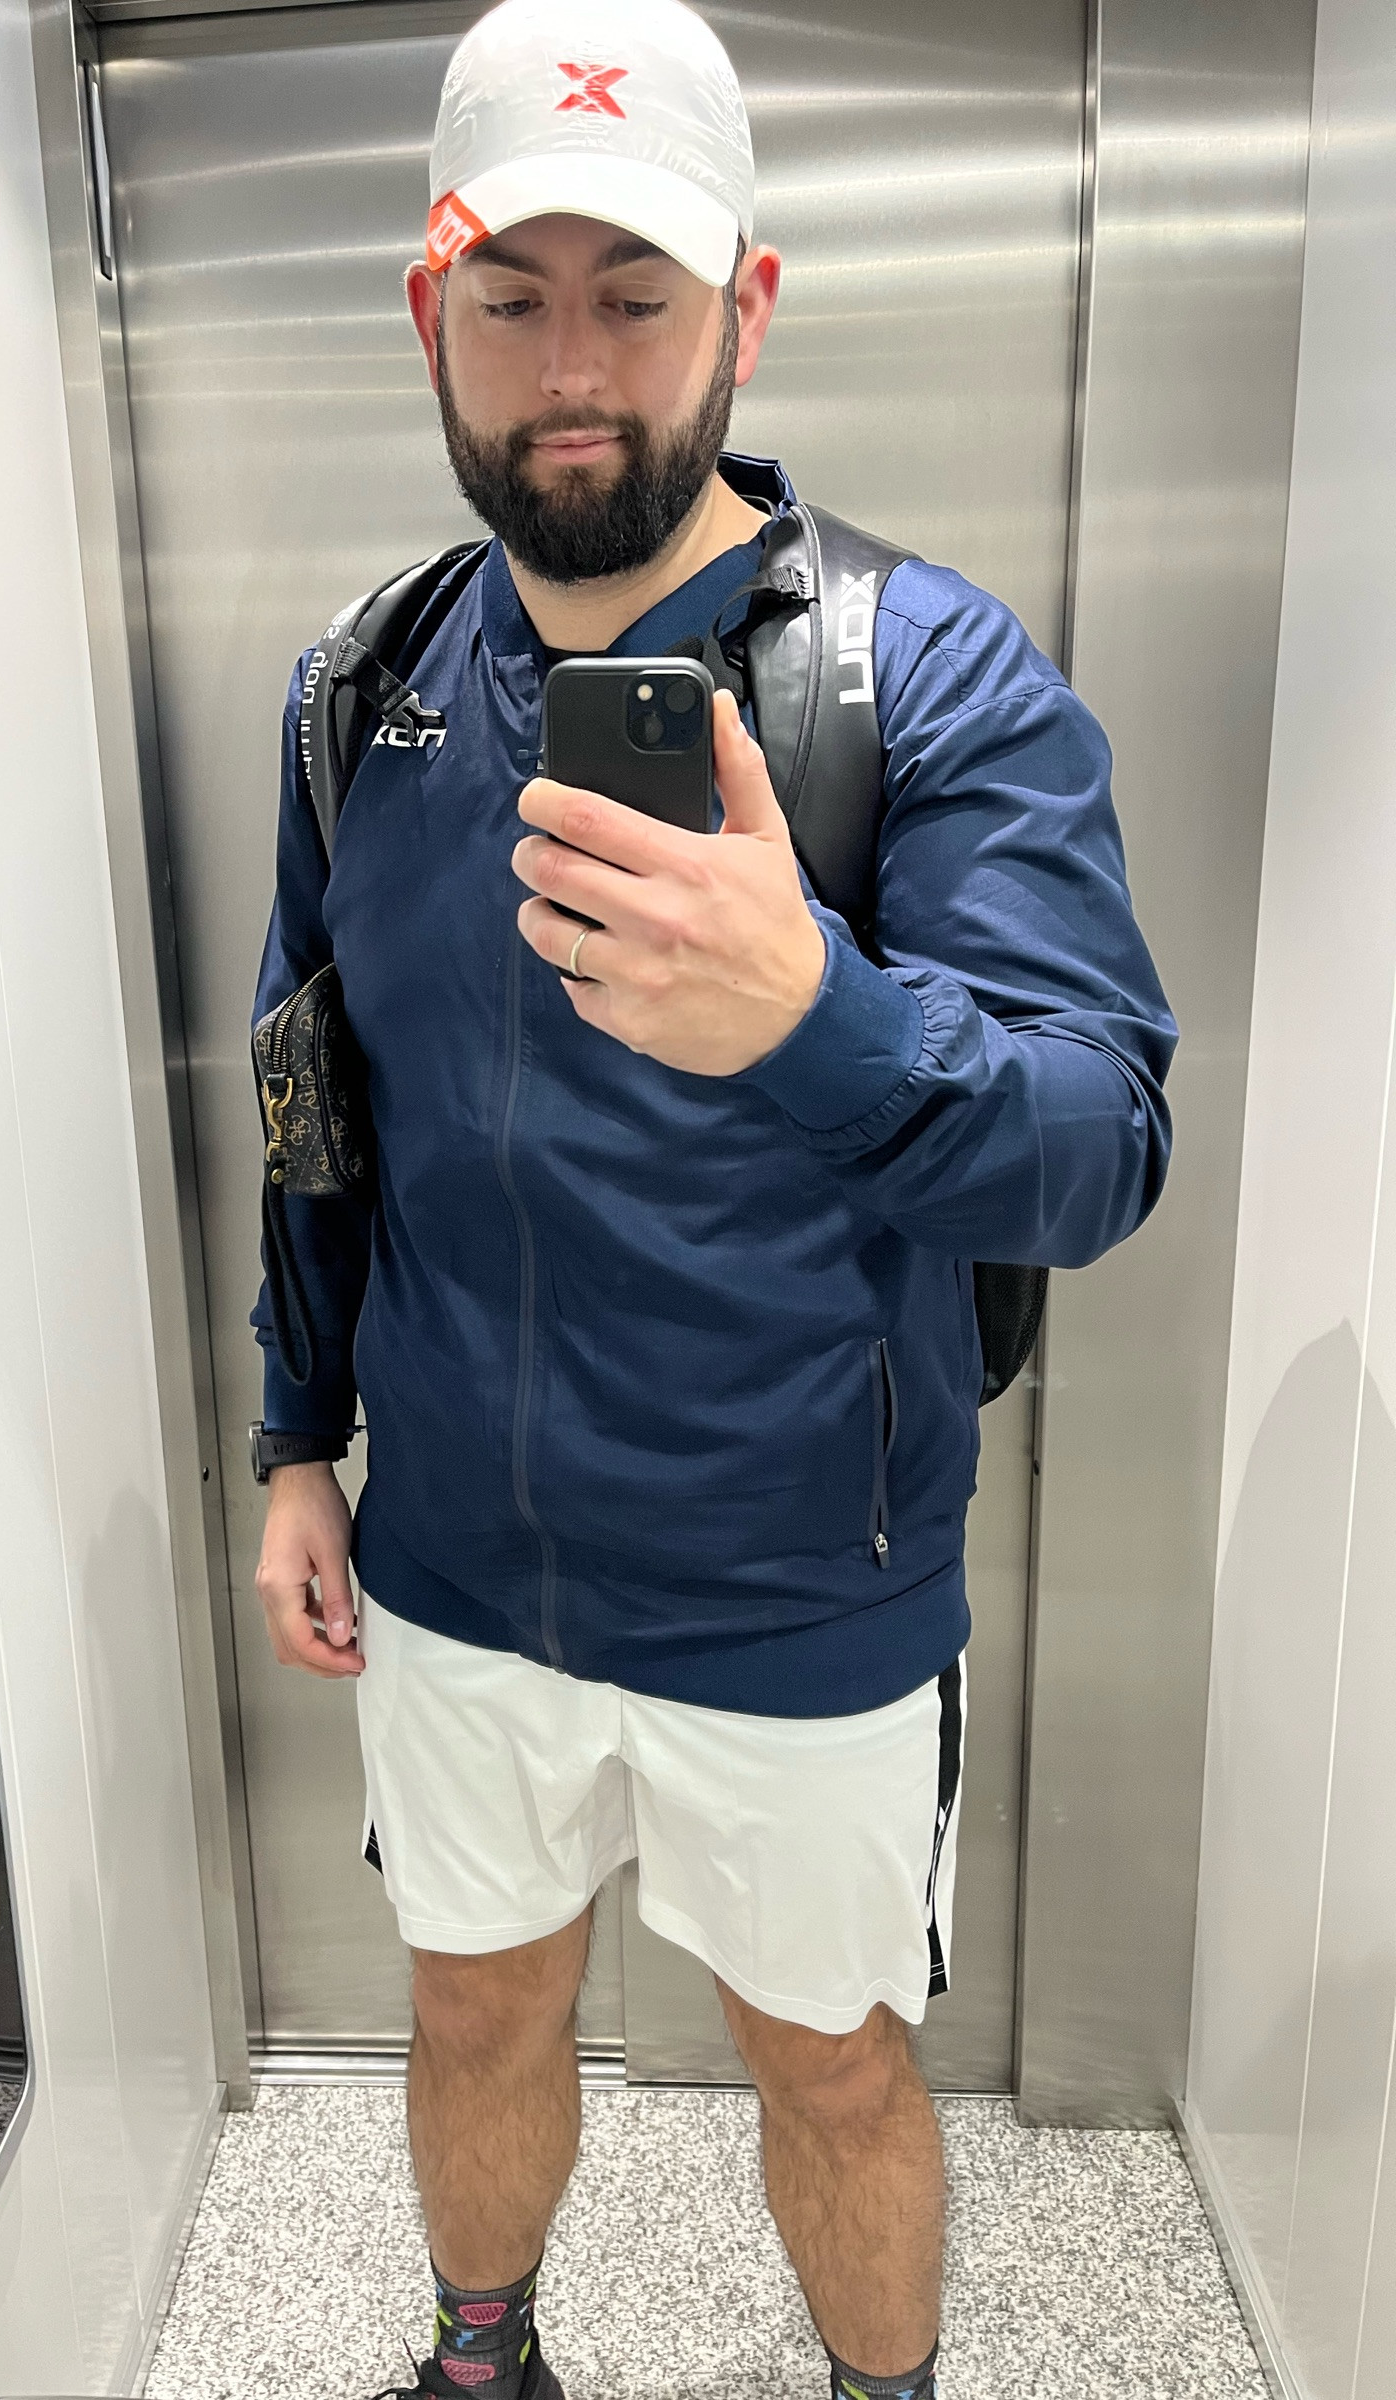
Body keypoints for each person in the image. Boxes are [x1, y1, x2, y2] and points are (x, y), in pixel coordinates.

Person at [249, 3, 1175, 2394]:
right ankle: (482, 2359)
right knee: (474, 2009)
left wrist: (814, 1014)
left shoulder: (921, 677)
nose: (573, 369)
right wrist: (293, 1438)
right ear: (430, 313)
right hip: (458, 1565)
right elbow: (315, 1100)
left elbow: (1102, 1135)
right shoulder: (359, 696)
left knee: (834, 2064)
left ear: (743, 308)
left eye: (635, 296)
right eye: (513, 295)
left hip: (803, 1579)